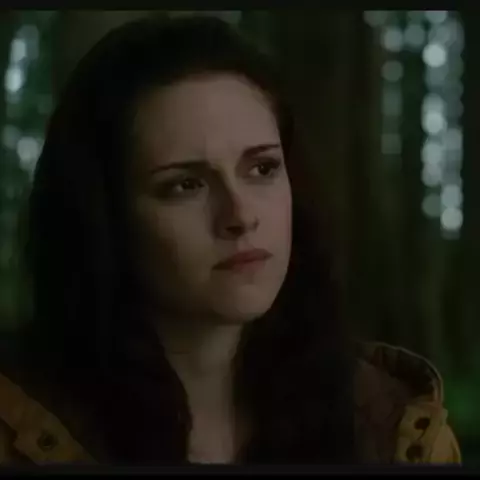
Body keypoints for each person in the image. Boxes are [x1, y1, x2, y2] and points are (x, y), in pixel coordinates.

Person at [0, 15, 461, 465]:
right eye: (186, 185)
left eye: (262, 168)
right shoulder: (23, 434)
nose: (240, 216)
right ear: (103, 214)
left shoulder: (396, 431)